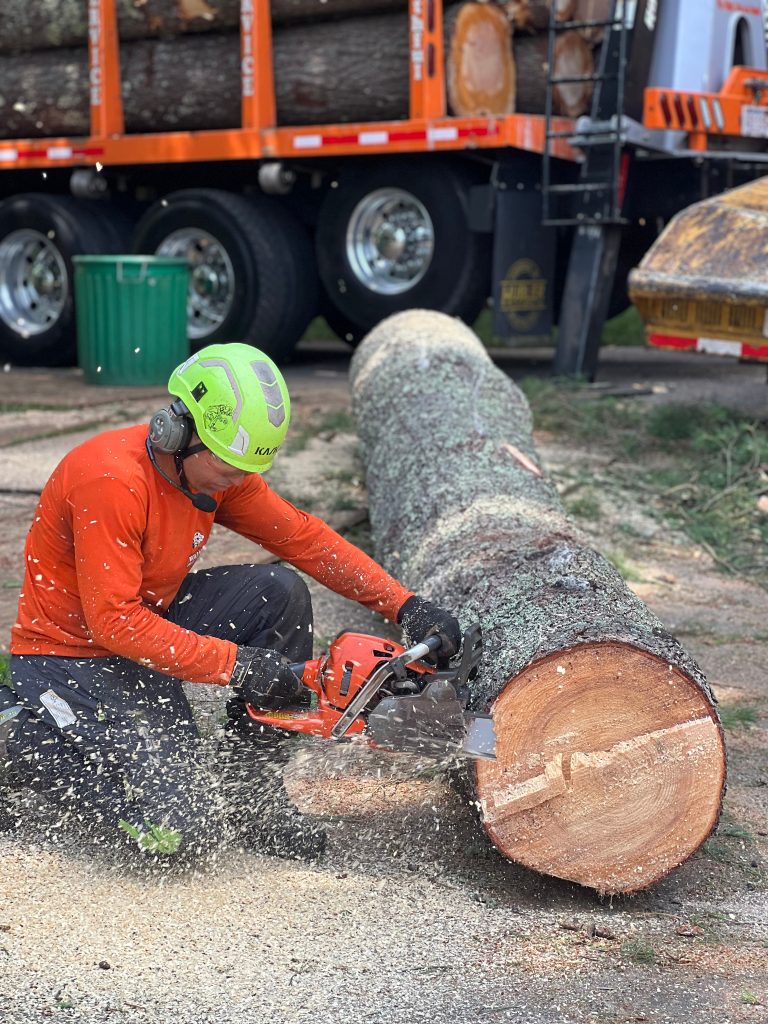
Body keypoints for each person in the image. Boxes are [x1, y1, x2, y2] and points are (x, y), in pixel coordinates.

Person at [0, 343, 460, 862]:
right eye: (226, 464)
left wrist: (405, 605)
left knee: (278, 592)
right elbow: (113, 624)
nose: (237, 480)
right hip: (72, 656)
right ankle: (17, 732)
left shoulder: (219, 475)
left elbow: (304, 540)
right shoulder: (112, 482)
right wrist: (238, 666)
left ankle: (253, 796)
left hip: (150, 622)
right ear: (178, 431)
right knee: (176, 839)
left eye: (244, 468)